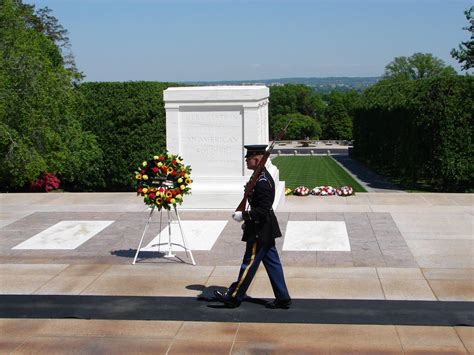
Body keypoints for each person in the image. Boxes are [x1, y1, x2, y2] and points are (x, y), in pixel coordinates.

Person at [214, 144, 291, 309]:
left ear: (257, 159)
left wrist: (244, 216)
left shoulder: (262, 181)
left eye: (248, 159)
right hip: (265, 228)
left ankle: (234, 297)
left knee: (248, 264)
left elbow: (262, 210)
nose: (246, 161)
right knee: (272, 262)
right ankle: (283, 297)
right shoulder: (260, 176)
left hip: (259, 229)